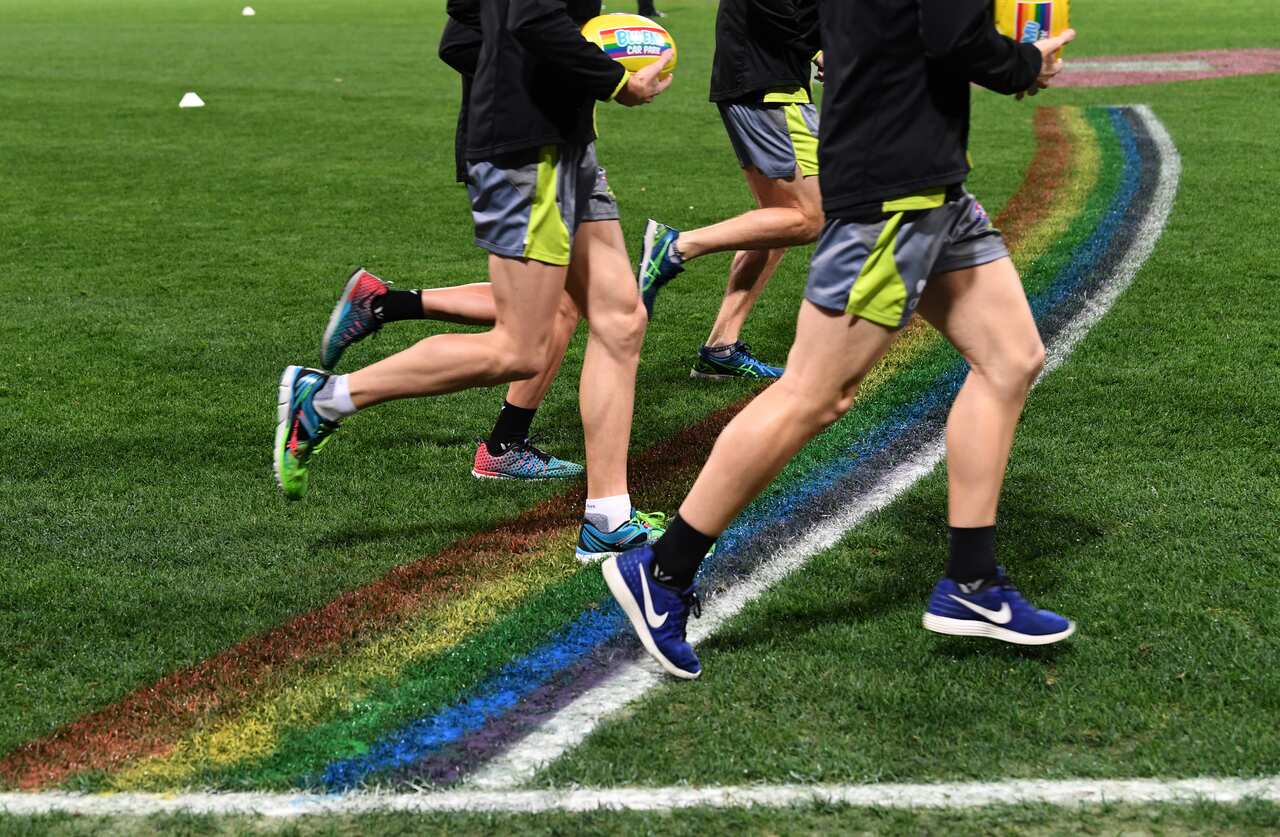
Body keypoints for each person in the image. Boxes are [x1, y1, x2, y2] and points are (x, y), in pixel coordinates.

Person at [604, 0, 1078, 679]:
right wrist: (1024, 62)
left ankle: (972, 583)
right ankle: (663, 569)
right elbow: (951, 34)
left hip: (925, 178)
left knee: (1011, 358)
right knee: (813, 394)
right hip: (893, 189)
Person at [275, 0, 674, 563]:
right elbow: (529, 18)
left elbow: (470, 21)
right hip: (525, 150)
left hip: (565, 141)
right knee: (519, 348)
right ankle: (328, 399)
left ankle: (607, 517)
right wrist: (610, 78)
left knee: (621, 317)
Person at [314, 19, 584, 481]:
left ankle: (380, 305)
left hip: (535, 144)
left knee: (557, 303)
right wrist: (590, 73)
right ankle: (328, 398)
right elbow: (461, 41)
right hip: (519, 147)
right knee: (536, 329)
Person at [637, 0, 824, 380]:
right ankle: (675, 247)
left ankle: (720, 348)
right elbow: (786, 14)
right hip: (768, 86)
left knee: (776, 225)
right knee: (811, 218)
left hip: (760, 79)